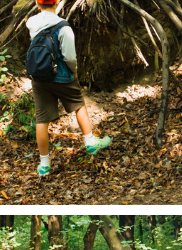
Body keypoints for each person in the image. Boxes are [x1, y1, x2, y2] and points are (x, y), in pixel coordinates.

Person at [27, 0, 111, 176]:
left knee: (41, 119)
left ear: (37, 3)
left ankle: (44, 165)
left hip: (39, 77)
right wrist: (75, 72)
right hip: (62, 76)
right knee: (78, 105)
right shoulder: (64, 27)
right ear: (56, 3)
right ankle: (90, 142)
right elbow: (70, 57)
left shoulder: (31, 23)